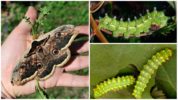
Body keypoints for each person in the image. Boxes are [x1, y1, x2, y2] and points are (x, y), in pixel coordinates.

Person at [1, 6, 89, 98]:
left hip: (42, 63)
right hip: (53, 53)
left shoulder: (27, 55)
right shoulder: (46, 39)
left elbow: (63, 32)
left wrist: (4, 89)